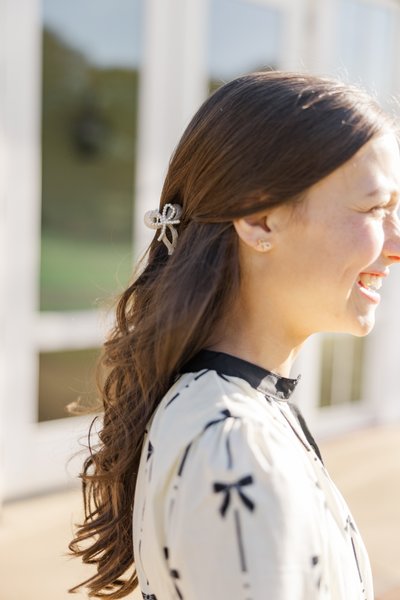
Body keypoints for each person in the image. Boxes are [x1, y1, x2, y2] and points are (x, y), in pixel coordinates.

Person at [69, 71, 400, 599]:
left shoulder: (231, 412)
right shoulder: (236, 451)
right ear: (260, 219)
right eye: (373, 209)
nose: (395, 244)